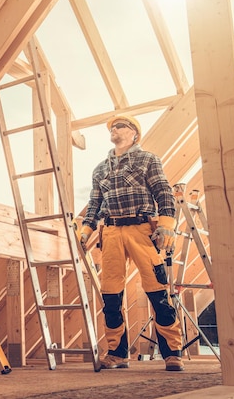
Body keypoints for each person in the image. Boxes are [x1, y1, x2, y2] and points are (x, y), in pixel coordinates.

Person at [79, 115, 184, 372]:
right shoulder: (100, 169)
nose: (115, 129)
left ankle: (172, 352)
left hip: (141, 229)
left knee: (157, 291)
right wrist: (85, 230)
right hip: (111, 231)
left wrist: (166, 226)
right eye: (112, 127)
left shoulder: (148, 160)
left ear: (134, 134)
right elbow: (94, 204)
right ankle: (117, 353)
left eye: (121, 126)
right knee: (111, 294)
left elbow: (163, 193)